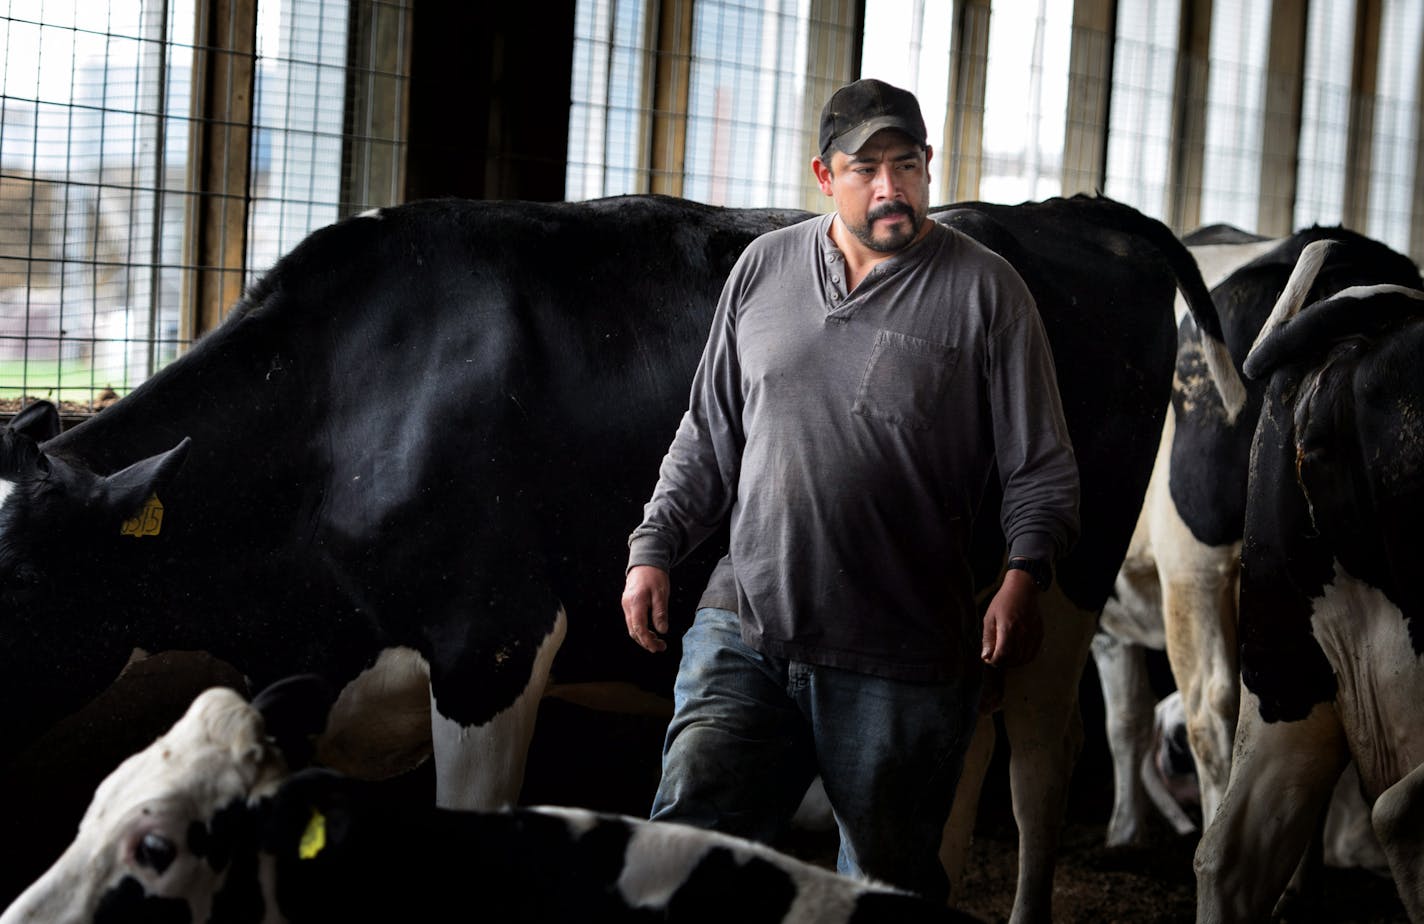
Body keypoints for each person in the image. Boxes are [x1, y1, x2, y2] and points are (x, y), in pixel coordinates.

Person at [619, 77, 1079, 904]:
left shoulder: (987, 292)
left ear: (929, 165)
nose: (890, 186)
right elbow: (709, 429)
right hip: (746, 629)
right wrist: (654, 547)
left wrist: (1023, 575)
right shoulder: (764, 267)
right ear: (824, 177)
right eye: (865, 168)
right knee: (684, 858)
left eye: (906, 164)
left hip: (899, 656)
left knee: (882, 890)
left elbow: (1039, 463)